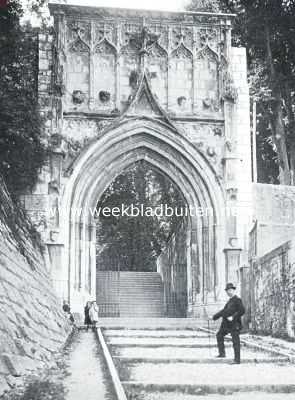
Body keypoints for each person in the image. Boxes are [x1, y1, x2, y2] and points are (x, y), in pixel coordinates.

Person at [212, 282, 245, 364]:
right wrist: (214, 317)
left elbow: (242, 311)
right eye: (227, 291)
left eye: (230, 290)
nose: (229, 292)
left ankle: (237, 360)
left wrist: (233, 317)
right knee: (219, 335)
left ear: (233, 290)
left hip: (235, 324)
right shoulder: (229, 301)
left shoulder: (238, 300)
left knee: (235, 341)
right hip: (226, 324)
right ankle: (222, 353)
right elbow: (223, 311)